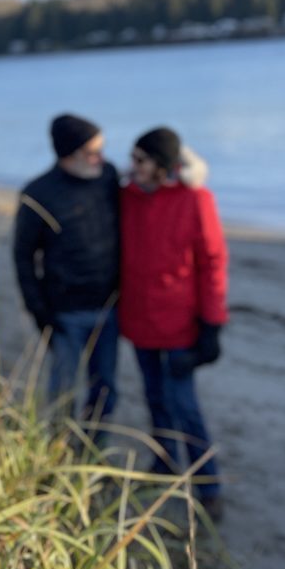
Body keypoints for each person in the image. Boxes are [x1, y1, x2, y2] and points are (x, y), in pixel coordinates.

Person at [119, 126, 229, 519]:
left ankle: (207, 484)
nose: (132, 167)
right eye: (132, 158)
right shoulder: (126, 197)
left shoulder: (196, 200)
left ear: (163, 165)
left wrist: (213, 326)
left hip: (181, 324)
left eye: (141, 160)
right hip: (139, 320)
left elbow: (213, 264)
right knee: (154, 399)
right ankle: (165, 464)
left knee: (185, 406)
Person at [13, 114, 121, 437]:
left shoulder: (108, 176)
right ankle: (58, 454)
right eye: (91, 152)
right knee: (62, 392)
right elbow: (22, 257)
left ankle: (94, 452)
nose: (99, 158)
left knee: (106, 391)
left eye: (101, 149)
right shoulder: (37, 193)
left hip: (108, 308)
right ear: (67, 155)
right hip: (63, 314)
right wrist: (39, 312)